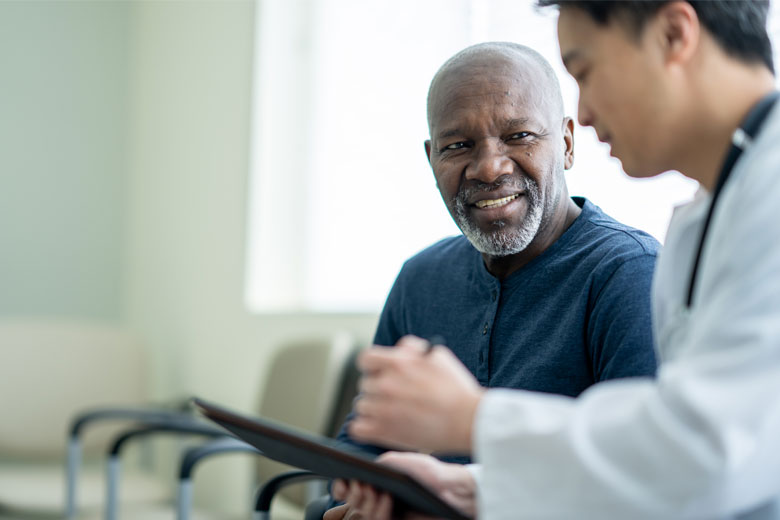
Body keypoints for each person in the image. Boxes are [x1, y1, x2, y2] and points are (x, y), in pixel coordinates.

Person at [345, 1, 780, 519]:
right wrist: (472, 490)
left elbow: (708, 458)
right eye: (459, 144)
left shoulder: (754, 206)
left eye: (586, 71)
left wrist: (475, 419)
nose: (588, 114)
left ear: (672, 34)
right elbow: (655, 445)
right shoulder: (709, 218)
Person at [325, 41, 660, 519]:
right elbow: (362, 445)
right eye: (458, 146)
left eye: (519, 135)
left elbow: (644, 483)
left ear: (566, 144)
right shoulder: (420, 279)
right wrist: (361, 502)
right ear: (430, 159)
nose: (488, 167)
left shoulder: (629, 274)